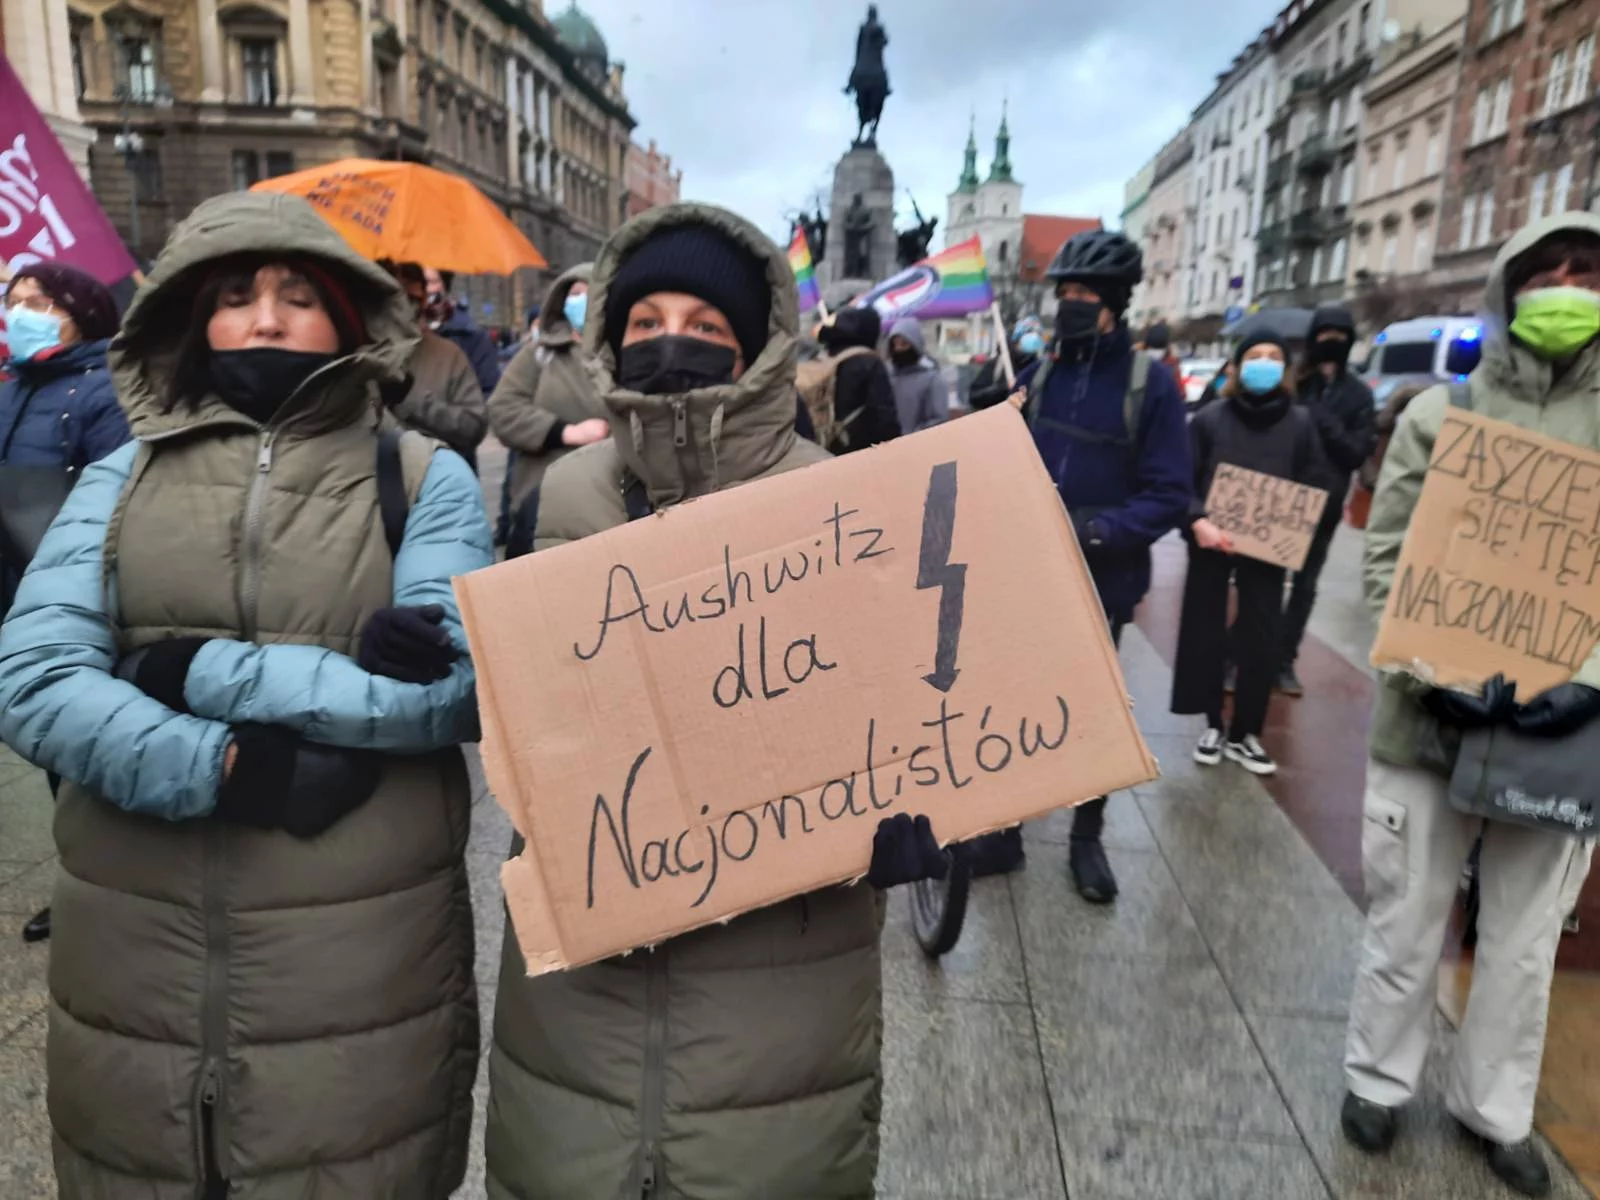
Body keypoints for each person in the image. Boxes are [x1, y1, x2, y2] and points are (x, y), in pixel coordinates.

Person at [0, 191, 492, 1198]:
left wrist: (189, 670)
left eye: (296, 295)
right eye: (234, 295)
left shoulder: (422, 477)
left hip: (360, 966)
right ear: (195, 320)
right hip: (137, 960)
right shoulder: (121, 477)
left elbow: (460, 688)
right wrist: (228, 765)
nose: (264, 318)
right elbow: (35, 677)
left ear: (348, 320)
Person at [484, 201, 946, 1199]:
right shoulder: (564, 493)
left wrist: (907, 812)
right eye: (645, 323)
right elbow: (529, 705)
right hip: (586, 975)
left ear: (753, 347)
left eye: (704, 325)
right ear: (610, 338)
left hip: (778, 979)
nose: (670, 344)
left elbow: (889, 701)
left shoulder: (834, 493)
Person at [1341, 213, 1600, 1199]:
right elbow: (1388, 554)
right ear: (1508, 287)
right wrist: (1423, 656)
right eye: (1547, 272)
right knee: (1404, 918)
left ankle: (1496, 1109)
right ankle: (1376, 1079)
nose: (1567, 288)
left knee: (1525, 943)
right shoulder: (1435, 418)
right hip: (1427, 724)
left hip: (1562, 735)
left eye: (1585, 272)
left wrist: (1583, 676)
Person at [975, 230, 1191, 902]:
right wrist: (995, 417)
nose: (1069, 304)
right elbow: (1006, 459)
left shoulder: (1147, 385)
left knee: (1092, 712)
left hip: (1101, 574)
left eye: (1083, 295)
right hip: (1028, 570)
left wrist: (1099, 531)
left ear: (1113, 306)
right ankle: (1005, 831)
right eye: (1063, 292)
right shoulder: (1040, 375)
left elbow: (1169, 493)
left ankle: (1085, 836)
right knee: (1013, 702)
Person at [1, 263, 131, 947]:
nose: (20, 312)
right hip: (15, 590)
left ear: (82, 313)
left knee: (83, 745)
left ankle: (105, 883)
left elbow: (118, 503)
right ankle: (84, 877)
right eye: (13, 301)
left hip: (74, 595)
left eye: (40, 302)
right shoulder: (11, 385)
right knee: (50, 745)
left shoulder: (105, 390)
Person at [1171, 332, 1318, 777]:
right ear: (1235, 367)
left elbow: (1313, 483)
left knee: (1262, 639)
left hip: (1268, 552)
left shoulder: (1301, 424)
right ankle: (1214, 724)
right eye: (1255, 356)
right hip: (1212, 545)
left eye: (1275, 357)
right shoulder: (1209, 420)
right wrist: (1198, 521)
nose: (1265, 364)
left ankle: (1246, 732)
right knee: (1206, 633)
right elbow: (1183, 480)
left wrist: (1295, 532)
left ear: (1286, 369)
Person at [1277, 304, 1377, 696]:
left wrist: (1321, 417)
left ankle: (1284, 660)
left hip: (1327, 500)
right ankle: (1249, 655)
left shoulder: (1356, 395)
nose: (1330, 343)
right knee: (1265, 582)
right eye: (1324, 335)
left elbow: (1355, 451)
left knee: (1305, 585)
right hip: (1284, 497)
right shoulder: (1295, 384)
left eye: (1338, 336)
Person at [487, 265, 607, 558]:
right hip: (540, 506)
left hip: (607, 505)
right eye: (573, 294)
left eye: (587, 293)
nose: (579, 301)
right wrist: (564, 432)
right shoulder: (541, 351)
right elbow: (502, 409)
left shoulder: (623, 351)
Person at [382, 260, 489, 469]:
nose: (402, 305)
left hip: (436, 482)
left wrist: (410, 398)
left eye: (410, 296)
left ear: (423, 299)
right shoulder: (356, 350)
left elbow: (473, 426)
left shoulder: (448, 355)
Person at [802, 304, 902, 453]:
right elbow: (885, 418)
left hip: (819, 451)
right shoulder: (869, 362)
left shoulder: (818, 358)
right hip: (860, 454)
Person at [423, 265, 502, 398]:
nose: (425, 289)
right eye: (418, 282)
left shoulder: (473, 337)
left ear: (444, 285)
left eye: (431, 282)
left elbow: (490, 395)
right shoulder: (401, 331)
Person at [885, 315, 949, 433]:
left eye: (904, 344)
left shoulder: (932, 380)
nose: (898, 349)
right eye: (895, 344)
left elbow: (938, 419)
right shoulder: (887, 377)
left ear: (915, 345)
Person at [968, 316, 1045, 410]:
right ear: (1017, 339)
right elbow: (975, 397)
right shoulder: (998, 365)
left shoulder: (1040, 369)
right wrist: (1003, 388)